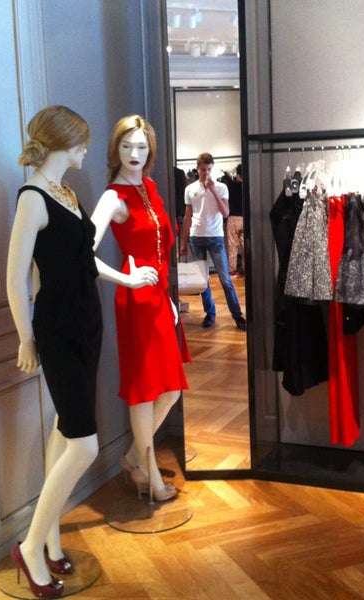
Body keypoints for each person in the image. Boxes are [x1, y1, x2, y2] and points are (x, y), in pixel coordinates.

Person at [6, 106, 158, 598]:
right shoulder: (33, 198)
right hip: (58, 331)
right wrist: (26, 338)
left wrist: (127, 280)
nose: (88, 149)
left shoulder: (66, 194)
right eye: (82, 142)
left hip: (86, 325)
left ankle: (50, 542)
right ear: (61, 142)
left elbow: (83, 262)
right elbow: (15, 278)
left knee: (64, 431)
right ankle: (31, 547)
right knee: (85, 445)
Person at [91, 114, 190, 503]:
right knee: (145, 392)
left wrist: (167, 297)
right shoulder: (113, 197)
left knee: (170, 391)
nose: (134, 153)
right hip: (136, 302)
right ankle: (150, 475)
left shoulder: (149, 188)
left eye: (141, 146)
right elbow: (83, 252)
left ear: (151, 150)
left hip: (159, 298)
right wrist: (126, 279)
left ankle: (134, 458)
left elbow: (161, 248)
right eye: (127, 145)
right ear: (115, 149)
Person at [181, 152, 247, 330]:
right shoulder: (190, 189)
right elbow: (187, 216)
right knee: (203, 280)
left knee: (225, 279)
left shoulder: (221, 187)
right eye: (203, 169)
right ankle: (209, 314)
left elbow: (226, 213)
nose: (206, 173)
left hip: (216, 237)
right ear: (197, 169)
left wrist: (213, 190)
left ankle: (237, 316)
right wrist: (183, 244)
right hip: (196, 237)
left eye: (209, 169)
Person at [225, 163, 245, 275]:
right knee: (245, 246)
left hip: (233, 217)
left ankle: (232, 270)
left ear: (238, 175)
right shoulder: (247, 187)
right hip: (245, 218)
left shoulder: (231, 186)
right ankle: (246, 269)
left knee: (232, 245)